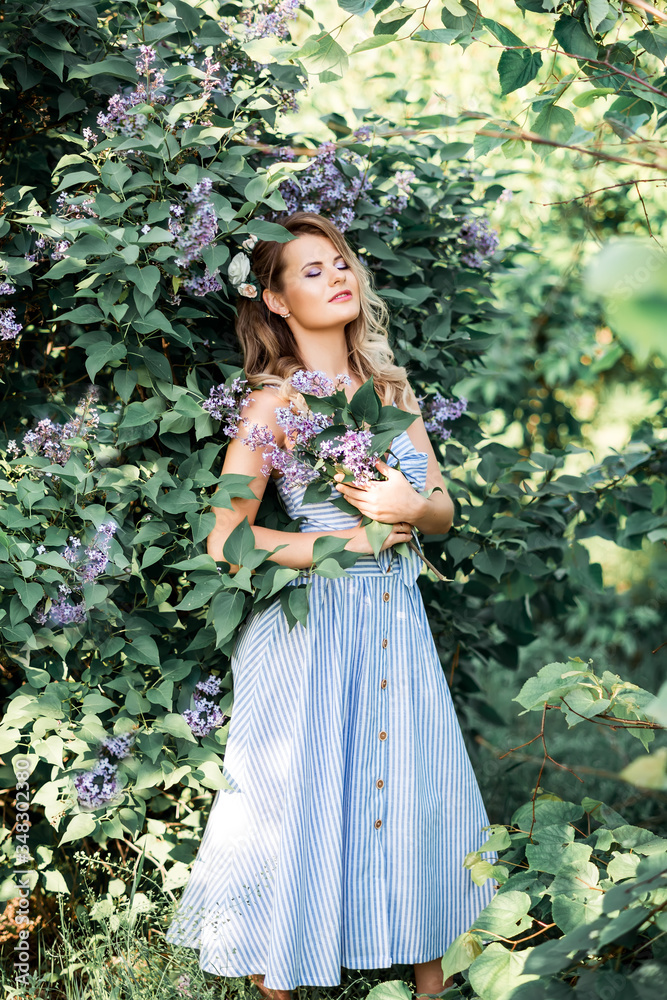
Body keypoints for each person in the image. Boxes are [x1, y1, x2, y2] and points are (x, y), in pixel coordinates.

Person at [166, 212, 496, 998]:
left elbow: (442, 508)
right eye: (309, 272)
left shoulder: (388, 388)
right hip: (313, 625)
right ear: (275, 301)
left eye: (339, 263)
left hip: (395, 621)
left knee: (419, 783)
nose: (336, 277)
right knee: (297, 797)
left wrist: (407, 509)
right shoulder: (273, 405)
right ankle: (278, 978)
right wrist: (340, 546)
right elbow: (224, 540)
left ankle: (433, 984)